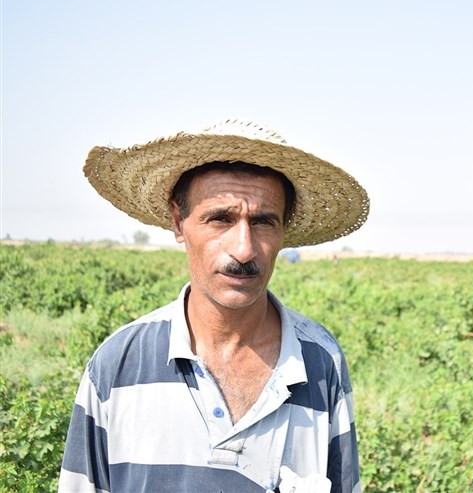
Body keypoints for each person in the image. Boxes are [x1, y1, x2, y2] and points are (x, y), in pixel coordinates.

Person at [59, 119, 370, 493]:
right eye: (220, 219)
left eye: (263, 222)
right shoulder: (118, 366)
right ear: (179, 222)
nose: (244, 249)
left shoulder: (320, 363)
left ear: (284, 230)